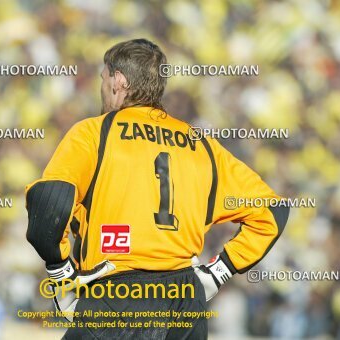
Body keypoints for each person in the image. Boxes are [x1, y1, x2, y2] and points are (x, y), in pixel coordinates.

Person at [25, 38, 289, 339]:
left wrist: (62, 277)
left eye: (103, 78)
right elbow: (272, 211)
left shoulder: (94, 132)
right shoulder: (201, 145)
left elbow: (48, 205)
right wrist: (220, 271)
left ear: (118, 81)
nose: (102, 87)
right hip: (185, 303)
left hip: (119, 293)